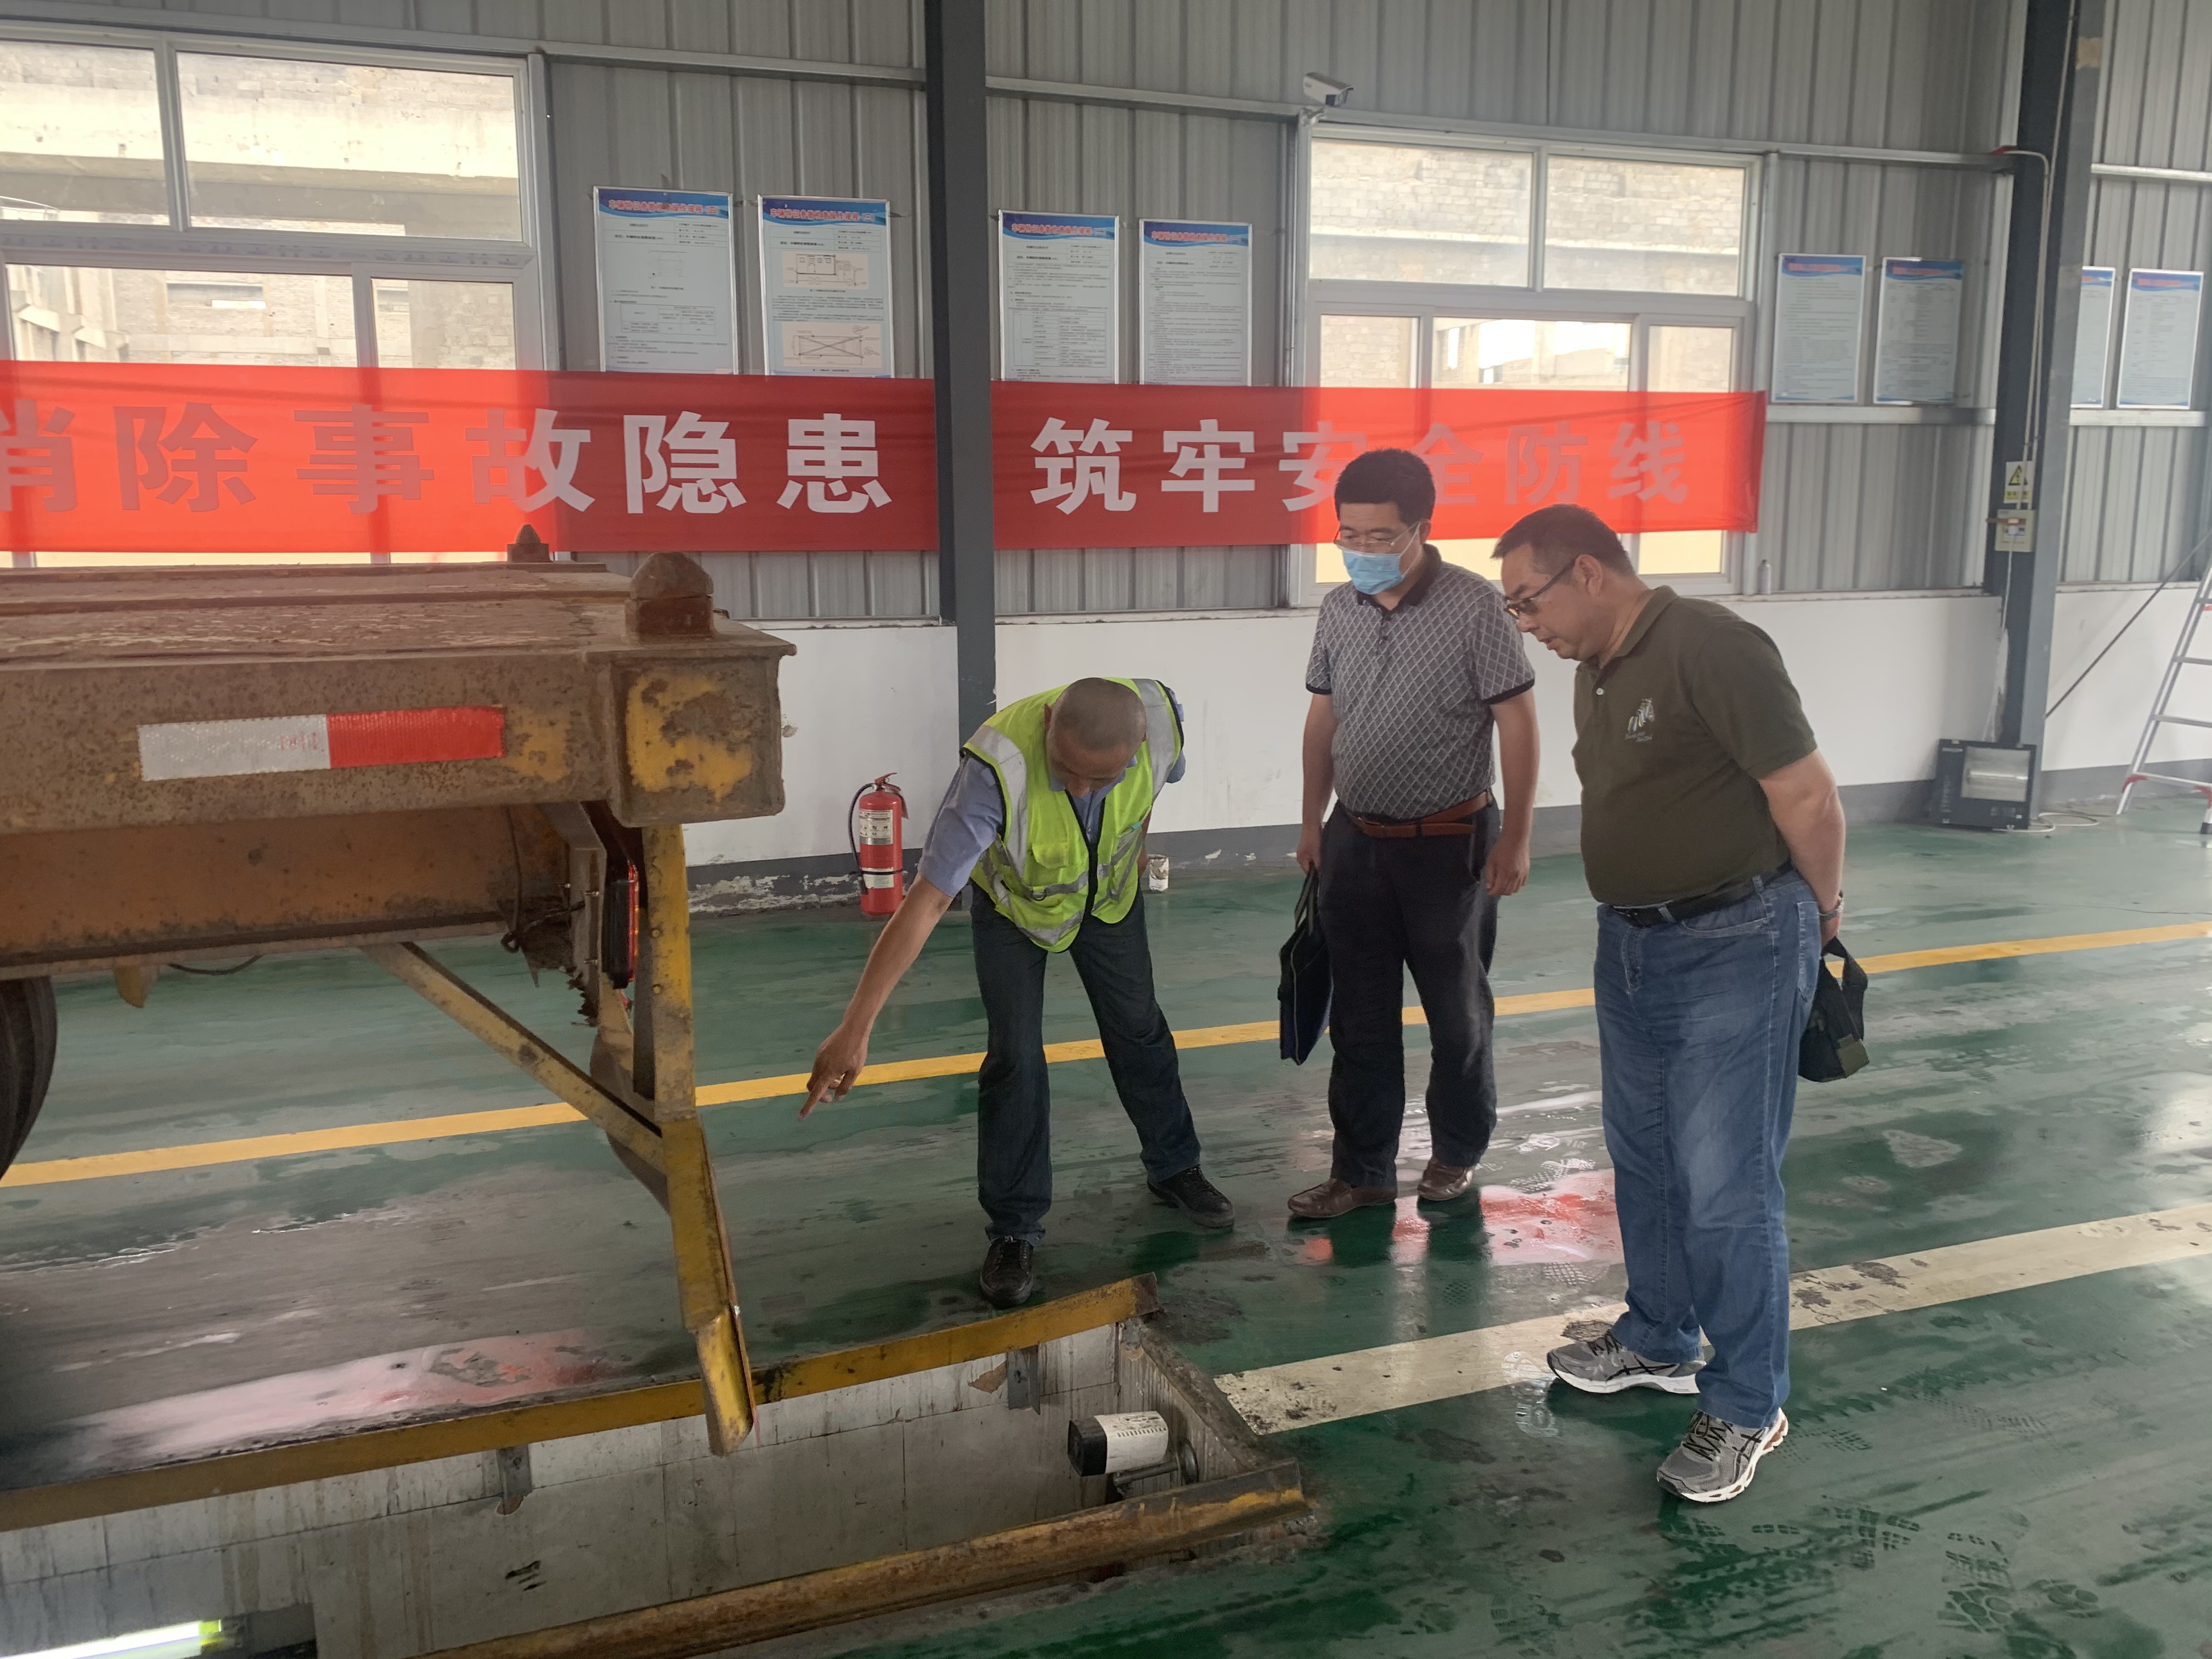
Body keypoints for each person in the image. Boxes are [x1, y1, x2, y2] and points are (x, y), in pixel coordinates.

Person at [1494, 503, 1844, 1505]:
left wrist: (1821, 917)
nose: (1527, 624)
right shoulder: (1596, 668)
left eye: (1529, 601)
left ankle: (1748, 1403)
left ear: (1588, 572)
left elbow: (1807, 796)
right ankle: (1659, 1335)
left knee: (1726, 1184)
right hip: (1635, 942)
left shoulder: (1712, 646)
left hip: (1738, 937)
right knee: (1645, 1154)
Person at [802, 676, 1233, 1309]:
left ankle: (1176, 1168)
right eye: (1067, 772)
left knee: (1139, 1030)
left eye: (1099, 780)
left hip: (1108, 904)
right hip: (1015, 911)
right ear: (1049, 721)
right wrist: (856, 1026)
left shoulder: (1163, 723)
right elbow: (927, 901)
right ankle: (1014, 1228)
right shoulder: (993, 771)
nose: (1080, 789)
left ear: (1138, 745)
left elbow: (1150, 793)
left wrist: (1135, 849)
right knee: (1016, 1058)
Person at [1289, 448, 1540, 1220]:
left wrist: (1516, 836)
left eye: (1379, 536)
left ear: (1421, 529)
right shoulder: (1339, 609)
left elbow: (1518, 723)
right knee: (1358, 1017)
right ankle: (1363, 1170)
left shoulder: (1475, 607)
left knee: (1456, 1014)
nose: (1361, 550)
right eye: (1349, 534)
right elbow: (1323, 719)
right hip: (1356, 841)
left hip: (1450, 845)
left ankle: (1456, 1151)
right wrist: (1312, 819)